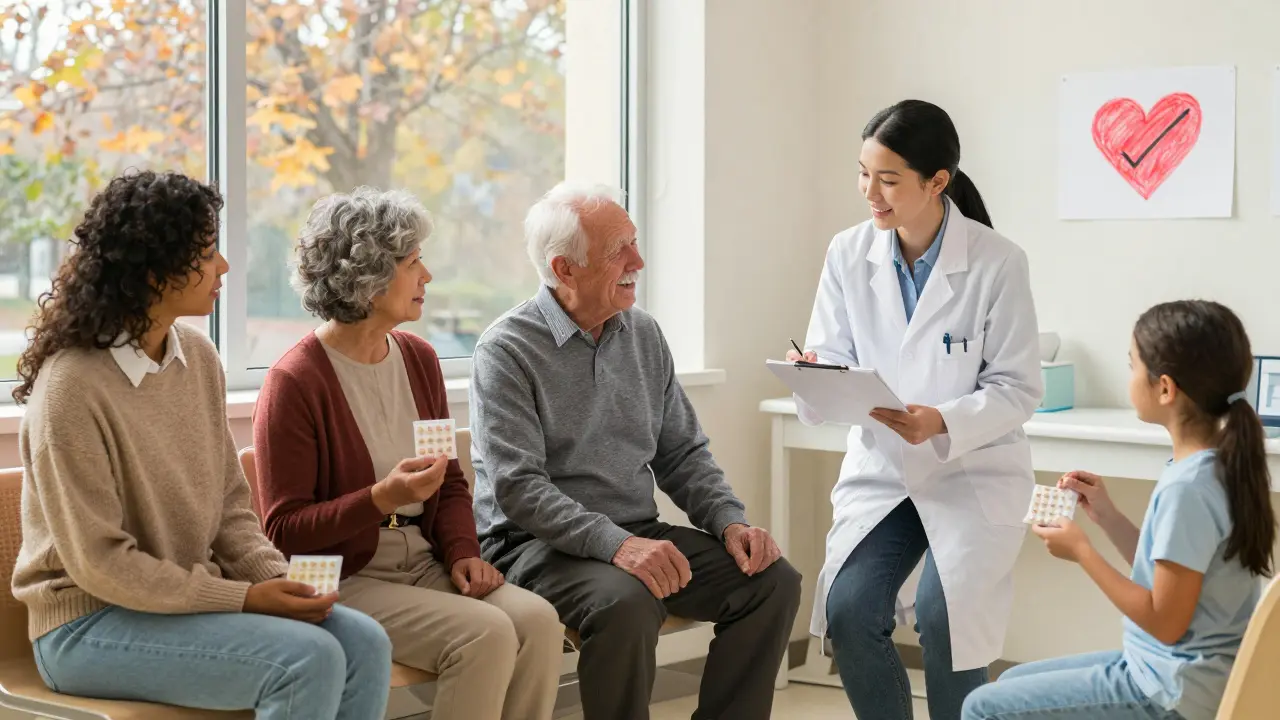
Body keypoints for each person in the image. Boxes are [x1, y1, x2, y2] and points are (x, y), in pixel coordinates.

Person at [10, 171, 392, 719]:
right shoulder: (72, 386)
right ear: (152, 269)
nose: (224, 267)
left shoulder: (196, 356)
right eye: (207, 252)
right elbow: (100, 565)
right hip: (86, 624)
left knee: (364, 642)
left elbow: (231, 510)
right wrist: (242, 598)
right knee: (304, 660)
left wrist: (275, 581)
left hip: (179, 605)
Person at [469, 182, 803, 720]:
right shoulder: (507, 349)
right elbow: (519, 488)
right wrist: (617, 546)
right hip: (530, 545)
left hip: (634, 531)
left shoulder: (643, 335)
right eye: (616, 250)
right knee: (627, 603)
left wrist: (729, 523)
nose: (638, 261)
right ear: (564, 269)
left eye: (635, 242)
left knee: (771, 581)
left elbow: (683, 454)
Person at [252, 187, 564, 720]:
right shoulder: (295, 381)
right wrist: (380, 498)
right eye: (413, 262)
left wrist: (465, 552)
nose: (428, 276)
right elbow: (284, 530)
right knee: (484, 635)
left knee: (538, 622)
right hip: (342, 575)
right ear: (369, 277)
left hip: (423, 561)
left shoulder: (419, 360)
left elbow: (448, 481)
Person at [788, 99, 1043, 720]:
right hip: (885, 469)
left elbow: (1018, 387)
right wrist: (816, 374)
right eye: (863, 173)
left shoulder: (997, 262)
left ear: (937, 182)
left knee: (945, 615)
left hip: (970, 468)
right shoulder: (849, 253)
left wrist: (943, 420)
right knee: (849, 612)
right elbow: (834, 352)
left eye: (888, 179)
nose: (869, 193)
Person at [963, 300, 1277, 720]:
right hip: (1177, 673)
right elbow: (1172, 577)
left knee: (982, 707)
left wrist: (1083, 553)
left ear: (1165, 388)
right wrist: (1106, 515)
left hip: (1170, 691)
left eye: (1132, 366)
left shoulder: (1190, 487)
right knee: (1008, 684)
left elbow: (1165, 622)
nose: (1129, 378)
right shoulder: (1215, 464)